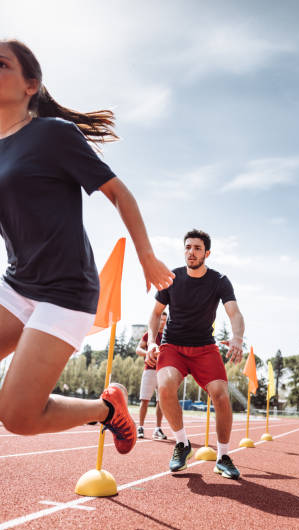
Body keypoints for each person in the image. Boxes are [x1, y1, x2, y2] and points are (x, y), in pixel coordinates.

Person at [0, 39, 174, 454]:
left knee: (18, 417)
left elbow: (119, 193)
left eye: (1, 64)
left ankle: (106, 410)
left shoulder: (53, 135)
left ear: (31, 85)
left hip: (65, 292)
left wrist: (146, 257)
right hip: (16, 284)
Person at [146, 229, 245, 479]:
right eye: (188, 247)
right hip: (174, 346)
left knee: (221, 395)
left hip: (204, 347)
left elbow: (234, 312)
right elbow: (156, 313)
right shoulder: (172, 278)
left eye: (197, 248)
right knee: (165, 386)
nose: (192, 252)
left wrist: (237, 338)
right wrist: (151, 344)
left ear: (207, 253)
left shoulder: (219, 280)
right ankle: (182, 443)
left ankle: (223, 456)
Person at [136, 311, 168, 440]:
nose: (163, 322)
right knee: (144, 400)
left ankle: (158, 429)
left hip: (163, 372)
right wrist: (149, 353)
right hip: (149, 369)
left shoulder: (169, 336)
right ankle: (141, 427)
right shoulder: (149, 335)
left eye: (165, 320)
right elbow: (138, 349)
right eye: (161, 319)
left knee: (161, 402)